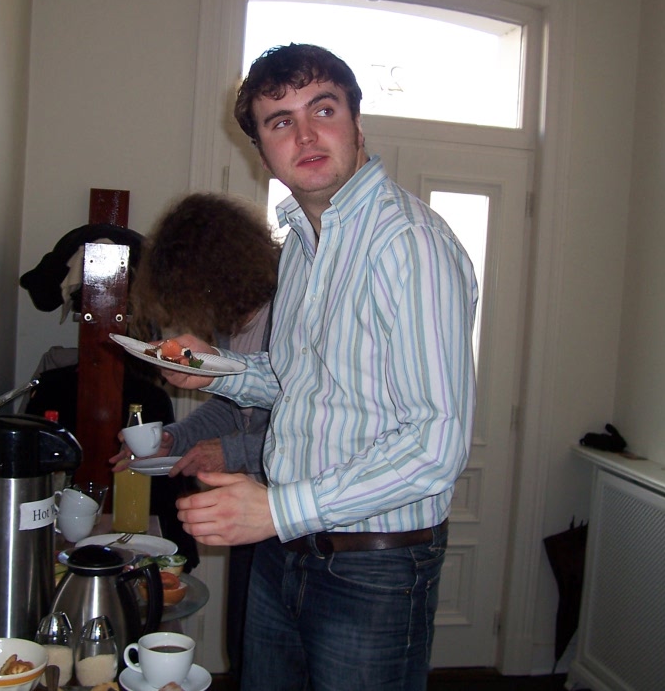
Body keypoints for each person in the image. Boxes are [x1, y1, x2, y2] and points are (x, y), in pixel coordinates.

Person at [157, 44, 479, 691]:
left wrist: (279, 512)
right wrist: (217, 368)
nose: (304, 135)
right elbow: (302, 383)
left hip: (374, 569)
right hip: (286, 551)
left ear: (357, 124)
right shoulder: (305, 246)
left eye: (322, 110)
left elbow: (436, 446)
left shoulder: (409, 244)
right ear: (262, 151)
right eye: (280, 121)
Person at [110, 192, 281, 682]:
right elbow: (234, 408)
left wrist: (229, 452)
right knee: (245, 651)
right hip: (250, 506)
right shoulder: (230, 328)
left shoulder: (286, 316)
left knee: (269, 661)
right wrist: (175, 439)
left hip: (291, 513)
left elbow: (311, 422)